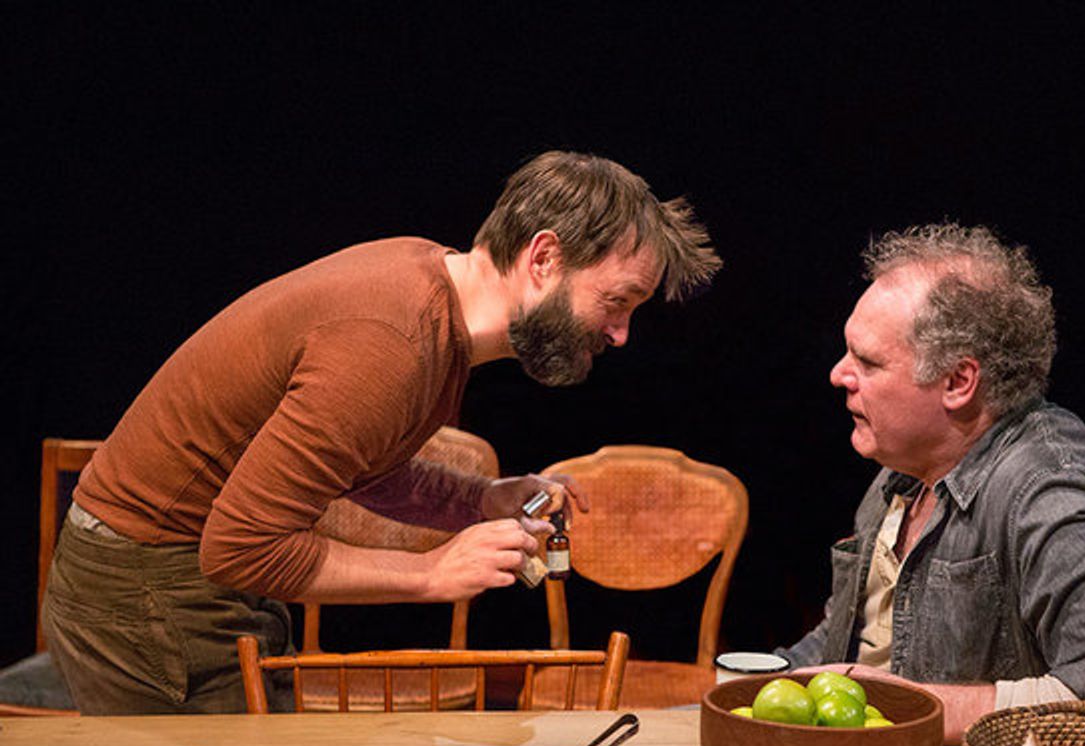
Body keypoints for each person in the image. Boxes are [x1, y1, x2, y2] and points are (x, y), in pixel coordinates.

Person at [41, 150, 723, 714]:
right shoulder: (392, 344)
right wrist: (430, 573)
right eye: (616, 302)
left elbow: (360, 468)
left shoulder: (428, 293)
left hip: (185, 578)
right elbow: (241, 548)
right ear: (543, 257)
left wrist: (480, 500)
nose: (620, 334)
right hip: (145, 589)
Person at [775, 223, 1085, 743]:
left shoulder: (1046, 485)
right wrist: (747, 684)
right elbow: (849, 643)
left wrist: (919, 708)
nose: (838, 374)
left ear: (958, 382)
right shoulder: (901, 474)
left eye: (868, 361)